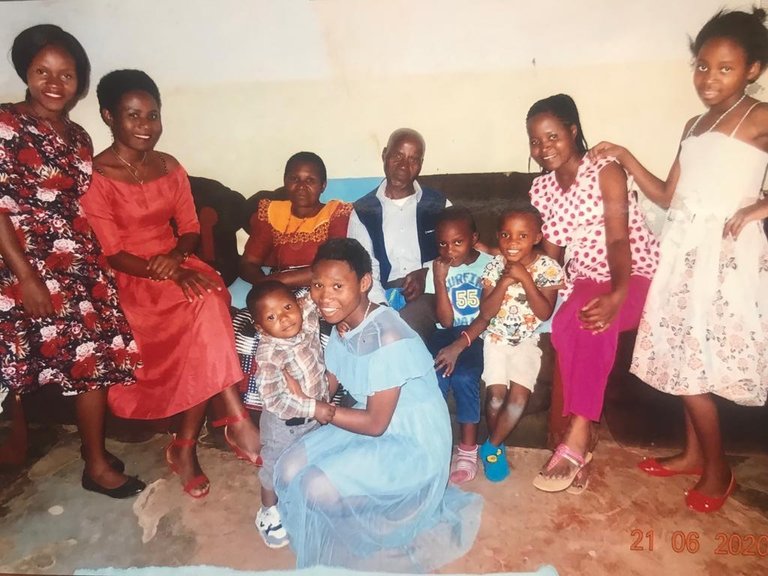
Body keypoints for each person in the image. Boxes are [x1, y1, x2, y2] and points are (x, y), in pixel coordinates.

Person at [590, 8, 768, 512]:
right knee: (684, 359)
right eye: (702, 66)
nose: (709, 78)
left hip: (725, 257)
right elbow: (668, 195)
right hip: (685, 251)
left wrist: (760, 206)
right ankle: (693, 454)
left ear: (752, 69)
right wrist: (624, 154)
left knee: (697, 366)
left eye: (725, 68)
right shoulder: (695, 124)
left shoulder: (759, 117)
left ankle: (719, 470)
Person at [81, 69, 261, 499]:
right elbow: (112, 251)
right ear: (109, 116)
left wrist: (178, 258)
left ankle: (187, 445)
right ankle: (224, 424)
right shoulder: (97, 175)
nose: (146, 126)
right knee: (205, 308)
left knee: (209, 301)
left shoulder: (170, 165)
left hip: (177, 263)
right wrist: (168, 270)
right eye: (134, 115)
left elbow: (191, 226)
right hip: (132, 277)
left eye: (153, 115)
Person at [274, 238, 481, 571]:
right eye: (317, 285)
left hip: (410, 438)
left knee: (316, 486)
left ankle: (388, 515)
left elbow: (375, 424)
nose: (325, 296)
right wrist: (293, 390)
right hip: (368, 417)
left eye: (338, 286)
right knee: (286, 469)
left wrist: (315, 408)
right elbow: (332, 381)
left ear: (364, 284)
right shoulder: (340, 323)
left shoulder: (388, 338)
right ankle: (365, 513)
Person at [0, 25, 145, 498]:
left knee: (97, 357)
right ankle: (86, 458)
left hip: (79, 259)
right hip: (22, 260)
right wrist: (27, 278)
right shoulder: (5, 123)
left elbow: (89, 203)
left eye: (66, 74)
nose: (54, 82)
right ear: (26, 71)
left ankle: (93, 458)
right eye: (43, 71)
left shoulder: (80, 135)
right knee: (55, 358)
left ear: (79, 82)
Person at [526, 94, 659, 493]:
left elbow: (619, 241)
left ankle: (578, 435)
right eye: (535, 141)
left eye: (552, 136)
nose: (544, 148)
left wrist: (619, 293)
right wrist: (531, 288)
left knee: (593, 324)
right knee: (566, 324)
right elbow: (550, 256)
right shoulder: (542, 190)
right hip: (583, 276)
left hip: (633, 270)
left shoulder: (605, 171)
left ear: (573, 131)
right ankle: (580, 441)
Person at [236, 151, 351, 410]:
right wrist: (269, 287)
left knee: (323, 336)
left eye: (310, 180)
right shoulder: (272, 212)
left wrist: (279, 279)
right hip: (276, 294)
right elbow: (247, 263)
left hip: (320, 292)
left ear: (323, 185)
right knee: (245, 330)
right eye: (294, 179)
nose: (301, 186)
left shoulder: (335, 213)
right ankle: (256, 410)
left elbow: (330, 267)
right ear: (285, 181)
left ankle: (323, 406)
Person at [474, 208, 562, 483]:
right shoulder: (493, 266)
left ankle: (490, 445)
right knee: (496, 396)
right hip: (495, 339)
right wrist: (505, 280)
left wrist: (524, 277)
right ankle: (495, 450)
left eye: (522, 236)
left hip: (527, 341)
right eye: (506, 235)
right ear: (498, 237)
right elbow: (486, 312)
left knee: (519, 397)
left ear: (537, 237)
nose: (513, 242)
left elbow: (544, 312)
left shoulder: (548, 268)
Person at [246, 281, 336, 549]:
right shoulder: (269, 354)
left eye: (287, 307)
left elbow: (316, 297)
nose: (284, 318)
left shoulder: (305, 318)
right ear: (261, 327)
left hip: (314, 417)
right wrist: (314, 407)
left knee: (311, 459)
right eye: (272, 317)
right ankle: (268, 512)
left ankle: (304, 497)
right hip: (284, 425)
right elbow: (275, 400)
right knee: (275, 469)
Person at [347, 128, 450, 341]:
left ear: (420, 164)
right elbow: (364, 268)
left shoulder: (438, 204)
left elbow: (460, 251)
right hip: (382, 293)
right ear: (385, 154)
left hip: (429, 293)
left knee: (403, 329)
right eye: (398, 156)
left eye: (413, 159)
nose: (404, 166)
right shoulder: (363, 211)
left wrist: (426, 273)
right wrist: (380, 309)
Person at [424, 207, 492, 484]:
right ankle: (435, 447)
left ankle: (467, 449)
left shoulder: (490, 264)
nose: (449, 250)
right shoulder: (436, 268)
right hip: (445, 332)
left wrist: (460, 346)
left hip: (476, 334)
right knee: (434, 379)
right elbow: (446, 321)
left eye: (457, 242)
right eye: (442, 243)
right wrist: (439, 280)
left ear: (474, 238)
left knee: (465, 377)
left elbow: (487, 316)